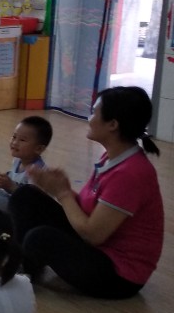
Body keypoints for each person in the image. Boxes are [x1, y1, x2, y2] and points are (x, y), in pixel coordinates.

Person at [8, 86, 164, 299]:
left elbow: (93, 235)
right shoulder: (111, 157)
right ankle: (21, 266)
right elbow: (86, 210)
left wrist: (63, 193)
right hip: (97, 245)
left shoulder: (132, 173)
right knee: (26, 196)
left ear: (113, 124)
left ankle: (19, 273)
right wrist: (54, 186)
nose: (89, 119)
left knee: (39, 238)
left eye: (94, 113)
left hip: (119, 275)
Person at [0, 116, 53, 211]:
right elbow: (14, 178)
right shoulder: (17, 160)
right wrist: (3, 180)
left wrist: (11, 186)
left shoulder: (38, 173)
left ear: (38, 148)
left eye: (22, 140)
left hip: (26, 212)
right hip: (11, 200)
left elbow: (31, 202)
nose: (14, 142)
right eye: (14, 137)